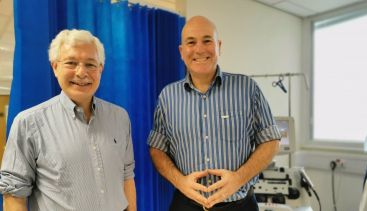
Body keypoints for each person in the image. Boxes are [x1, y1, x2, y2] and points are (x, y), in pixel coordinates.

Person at [148, 16, 281, 211]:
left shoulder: (247, 89)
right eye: (191, 42)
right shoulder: (167, 97)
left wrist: (238, 179)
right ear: (181, 51)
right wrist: (181, 181)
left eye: (207, 40)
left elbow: (271, 140)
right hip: (186, 205)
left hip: (240, 205)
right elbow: (156, 149)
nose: (200, 49)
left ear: (219, 46)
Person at [0, 29, 136, 211]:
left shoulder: (119, 117)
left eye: (90, 64)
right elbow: (14, 195)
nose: (81, 72)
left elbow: (127, 176)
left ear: (101, 69)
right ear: (55, 67)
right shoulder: (29, 123)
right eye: (71, 63)